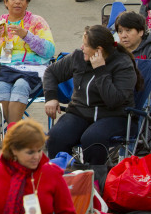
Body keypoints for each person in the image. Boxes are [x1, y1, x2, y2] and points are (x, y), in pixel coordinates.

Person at [43, 25, 140, 164]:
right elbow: (51, 72)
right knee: (56, 137)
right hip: (79, 113)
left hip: (114, 116)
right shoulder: (78, 57)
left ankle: (94, 179)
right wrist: (51, 97)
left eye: (86, 45)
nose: (82, 47)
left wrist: (100, 70)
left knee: (92, 138)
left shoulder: (122, 64)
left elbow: (114, 101)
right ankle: (63, 178)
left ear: (98, 50)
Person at [0, 0, 56, 124]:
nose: (18, 2)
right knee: (0, 87)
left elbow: (49, 51)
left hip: (31, 70)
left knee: (21, 85)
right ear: (5, 2)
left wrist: (27, 35)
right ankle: (13, 134)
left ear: (27, 2)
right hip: (5, 70)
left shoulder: (37, 22)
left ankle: (11, 135)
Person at [114, 11, 151, 118]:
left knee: (137, 107)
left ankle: (137, 134)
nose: (123, 36)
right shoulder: (117, 52)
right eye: (120, 32)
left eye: (128, 30)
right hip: (125, 98)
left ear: (140, 32)